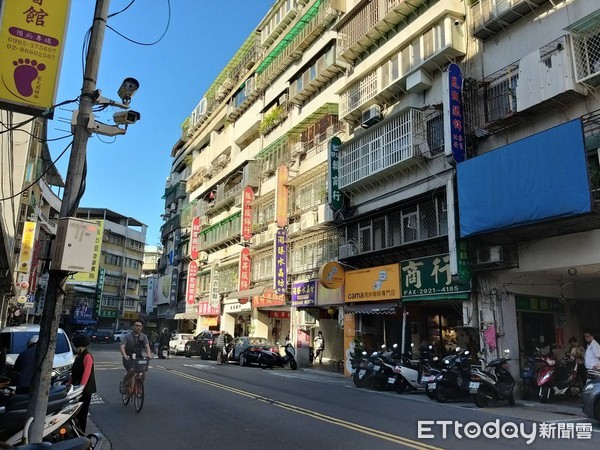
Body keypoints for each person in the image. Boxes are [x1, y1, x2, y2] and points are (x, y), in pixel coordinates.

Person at [69, 334, 96, 433]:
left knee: (82, 414)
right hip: (76, 389)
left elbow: (86, 374)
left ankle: (81, 433)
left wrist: (81, 388)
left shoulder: (87, 356)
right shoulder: (79, 356)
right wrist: (69, 384)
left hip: (84, 391)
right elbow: (74, 373)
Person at [120, 320, 153, 394]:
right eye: (136, 326)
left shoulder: (143, 336)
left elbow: (147, 346)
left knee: (143, 372)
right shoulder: (127, 336)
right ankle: (124, 382)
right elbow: (122, 346)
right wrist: (125, 355)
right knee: (132, 371)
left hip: (139, 357)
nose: (138, 327)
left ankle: (139, 387)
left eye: (140, 326)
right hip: (129, 358)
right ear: (133, 326)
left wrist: (149, 354)